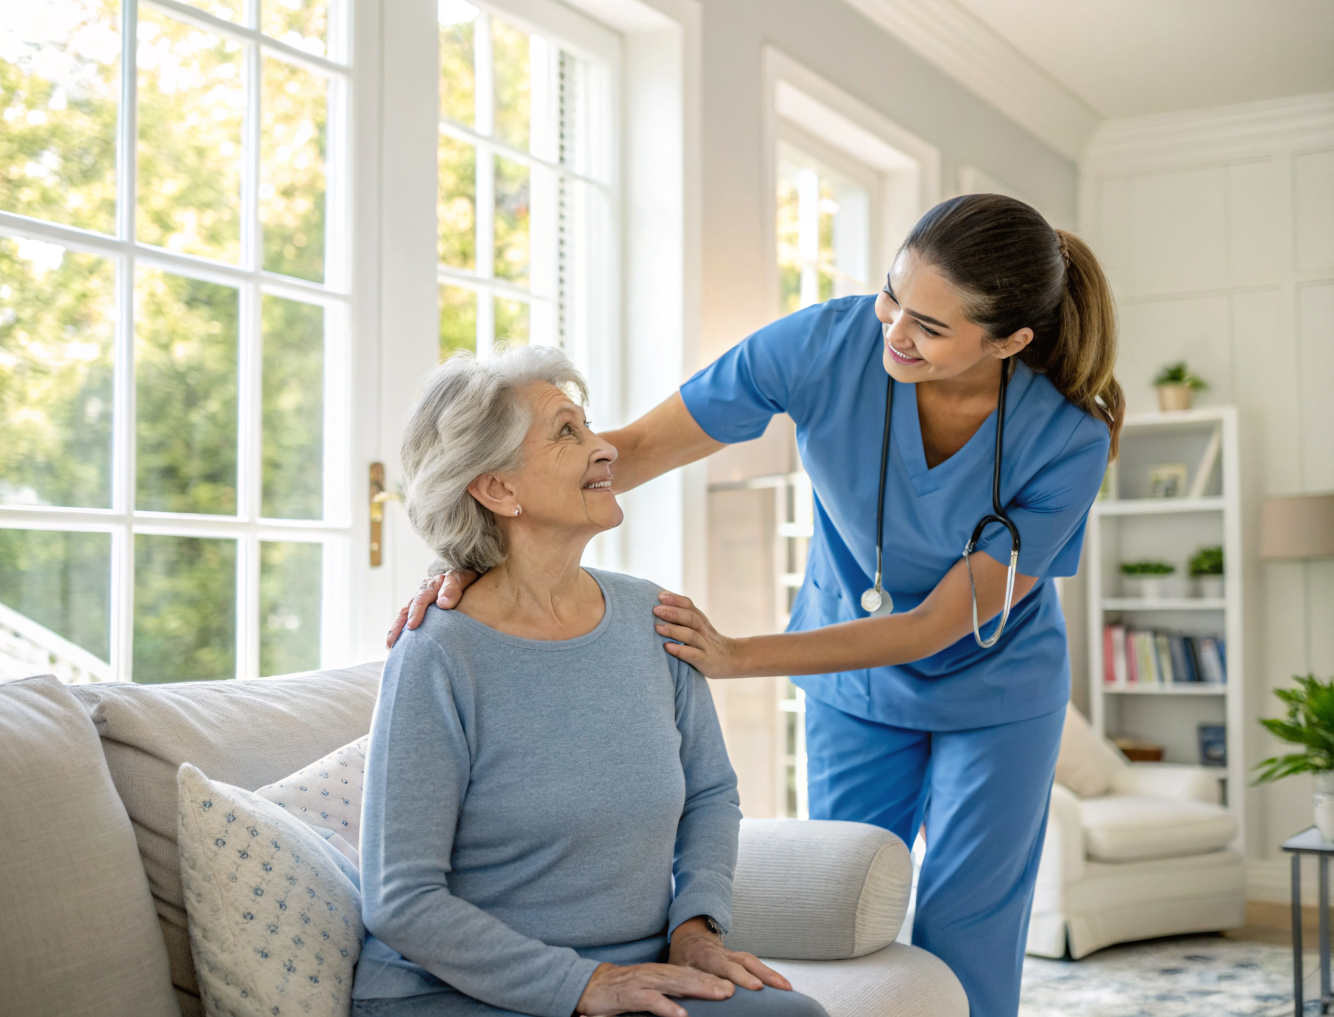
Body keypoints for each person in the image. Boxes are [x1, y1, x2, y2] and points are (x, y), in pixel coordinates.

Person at [388, 195, 1123, 1017]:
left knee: (968, 918)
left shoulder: (1067, 438)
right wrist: (469, 545)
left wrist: (737, 655)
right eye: (890, 296)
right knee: (841, 907)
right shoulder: (822, 346)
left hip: (996, 685)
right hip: (850, 682)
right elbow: (621, 451)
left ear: (1009, 342)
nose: (892, 332)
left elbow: (932, 626)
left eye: (928, 326)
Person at [357, 345, 826, 1017]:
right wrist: (581, 985)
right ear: (497, 488)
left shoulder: (653, 618)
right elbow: (401, 900)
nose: (604, 449)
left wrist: (696, 926)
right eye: (567, 433)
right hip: (456, 989)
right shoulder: (438, 652)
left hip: (633, 962)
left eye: (589, 425)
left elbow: (711, 793)